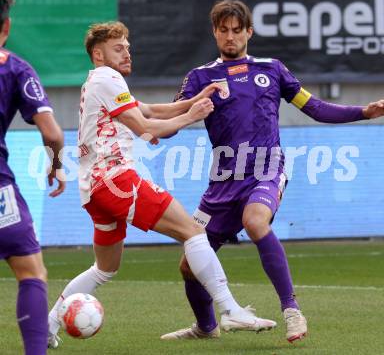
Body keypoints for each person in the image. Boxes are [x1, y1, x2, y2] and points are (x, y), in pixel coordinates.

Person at [160, 0, 384, 343]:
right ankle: (206, 328)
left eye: (237, 30)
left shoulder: (272, 69)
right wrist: (169, 122)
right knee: (189, 265)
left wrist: (363, 112)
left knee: (255, 221)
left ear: (249, 31)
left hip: (266, 168)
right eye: (223, 30)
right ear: (215, 33)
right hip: (222, 181)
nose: (230, 37)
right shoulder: (200, 77)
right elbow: (174, 120)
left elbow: (316, 108)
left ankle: (292, 310)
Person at [47, 21, 277, 348]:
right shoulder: (107, 78)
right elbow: (144, 127)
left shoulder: (100, 82)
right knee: (193, 232)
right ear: (98, 54)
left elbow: (150, 110)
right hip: (116, 180)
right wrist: (192, 115)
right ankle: (231, 309)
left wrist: (193, 100)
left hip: (94, 191)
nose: (127, 52)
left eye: (127, 46)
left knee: (104, 268)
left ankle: (49, 323)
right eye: (118, 48)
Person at [0, 0, 65, 355]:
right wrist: (56, 165)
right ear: (6, 26)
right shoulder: (15, 68)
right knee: (31, 273)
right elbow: (53, 132)